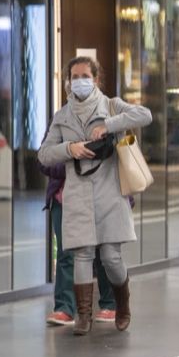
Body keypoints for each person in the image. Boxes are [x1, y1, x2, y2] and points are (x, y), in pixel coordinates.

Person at [38, 56, 152, 335]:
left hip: (110, 192)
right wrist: (70, 148)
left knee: (111, 257)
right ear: (68, 81)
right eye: (74, 76)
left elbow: (145, 115)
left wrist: (110, 125)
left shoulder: (111, 105)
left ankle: (122, 303)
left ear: (96, 78)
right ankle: (83, 316)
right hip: (77, 193)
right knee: (82, 254)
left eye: (84, 75)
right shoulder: (62, 116)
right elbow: (43, 154)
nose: (79, 81)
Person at [40, 133, 117, 326]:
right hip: (63, 200)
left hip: (98, 197)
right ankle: (64, 309)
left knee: (102, 252)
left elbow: (114, 159)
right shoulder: (58, 123)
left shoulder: (104, 121)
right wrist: (71, 156)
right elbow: (43, 161)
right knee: (66, 254)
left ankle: (110, 304)